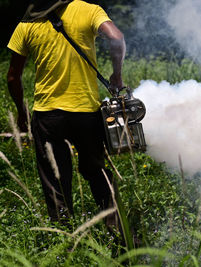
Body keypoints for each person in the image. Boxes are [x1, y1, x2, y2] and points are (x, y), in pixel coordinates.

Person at [6, 0, 126, 227]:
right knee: (96, 173)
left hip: (47, 116)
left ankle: (66, 247)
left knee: (55, 184)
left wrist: (21, 113)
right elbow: (117, 38)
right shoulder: (89, 10)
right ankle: (121, 235)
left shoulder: (27, 24)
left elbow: (13, 77)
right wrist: (117, 76)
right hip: (87, 113)